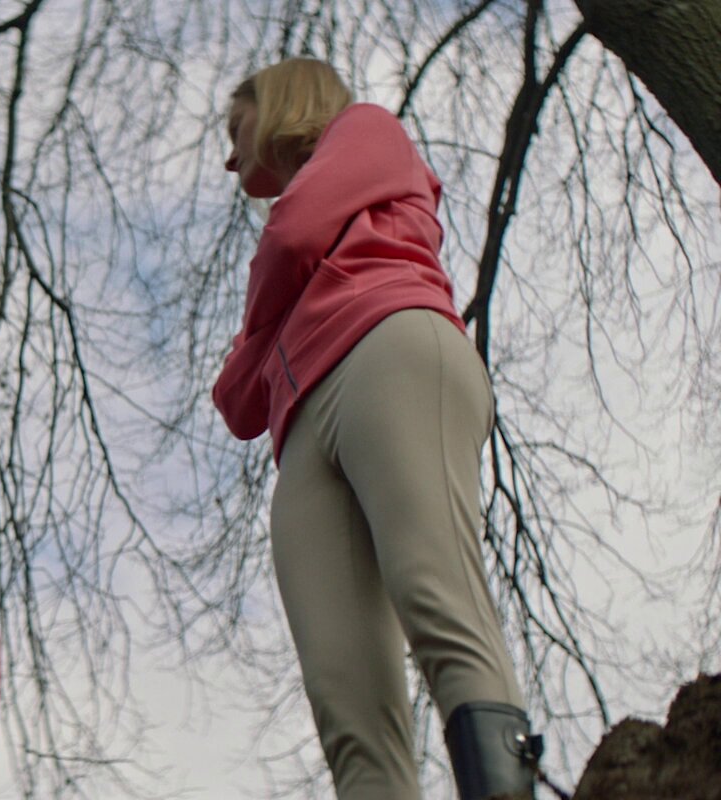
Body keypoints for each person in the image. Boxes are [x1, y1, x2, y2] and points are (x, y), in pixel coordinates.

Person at [214, 57, 540, 799]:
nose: (231, 159)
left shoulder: (366, 131)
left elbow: (294, 235)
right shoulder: (298, 246)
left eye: (237, 128)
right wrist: (275, 310)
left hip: (389, 350)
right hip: (302, 435)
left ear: (283, 100)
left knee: (434, 592)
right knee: (345, 697)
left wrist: (267, 315)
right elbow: (236, 403)